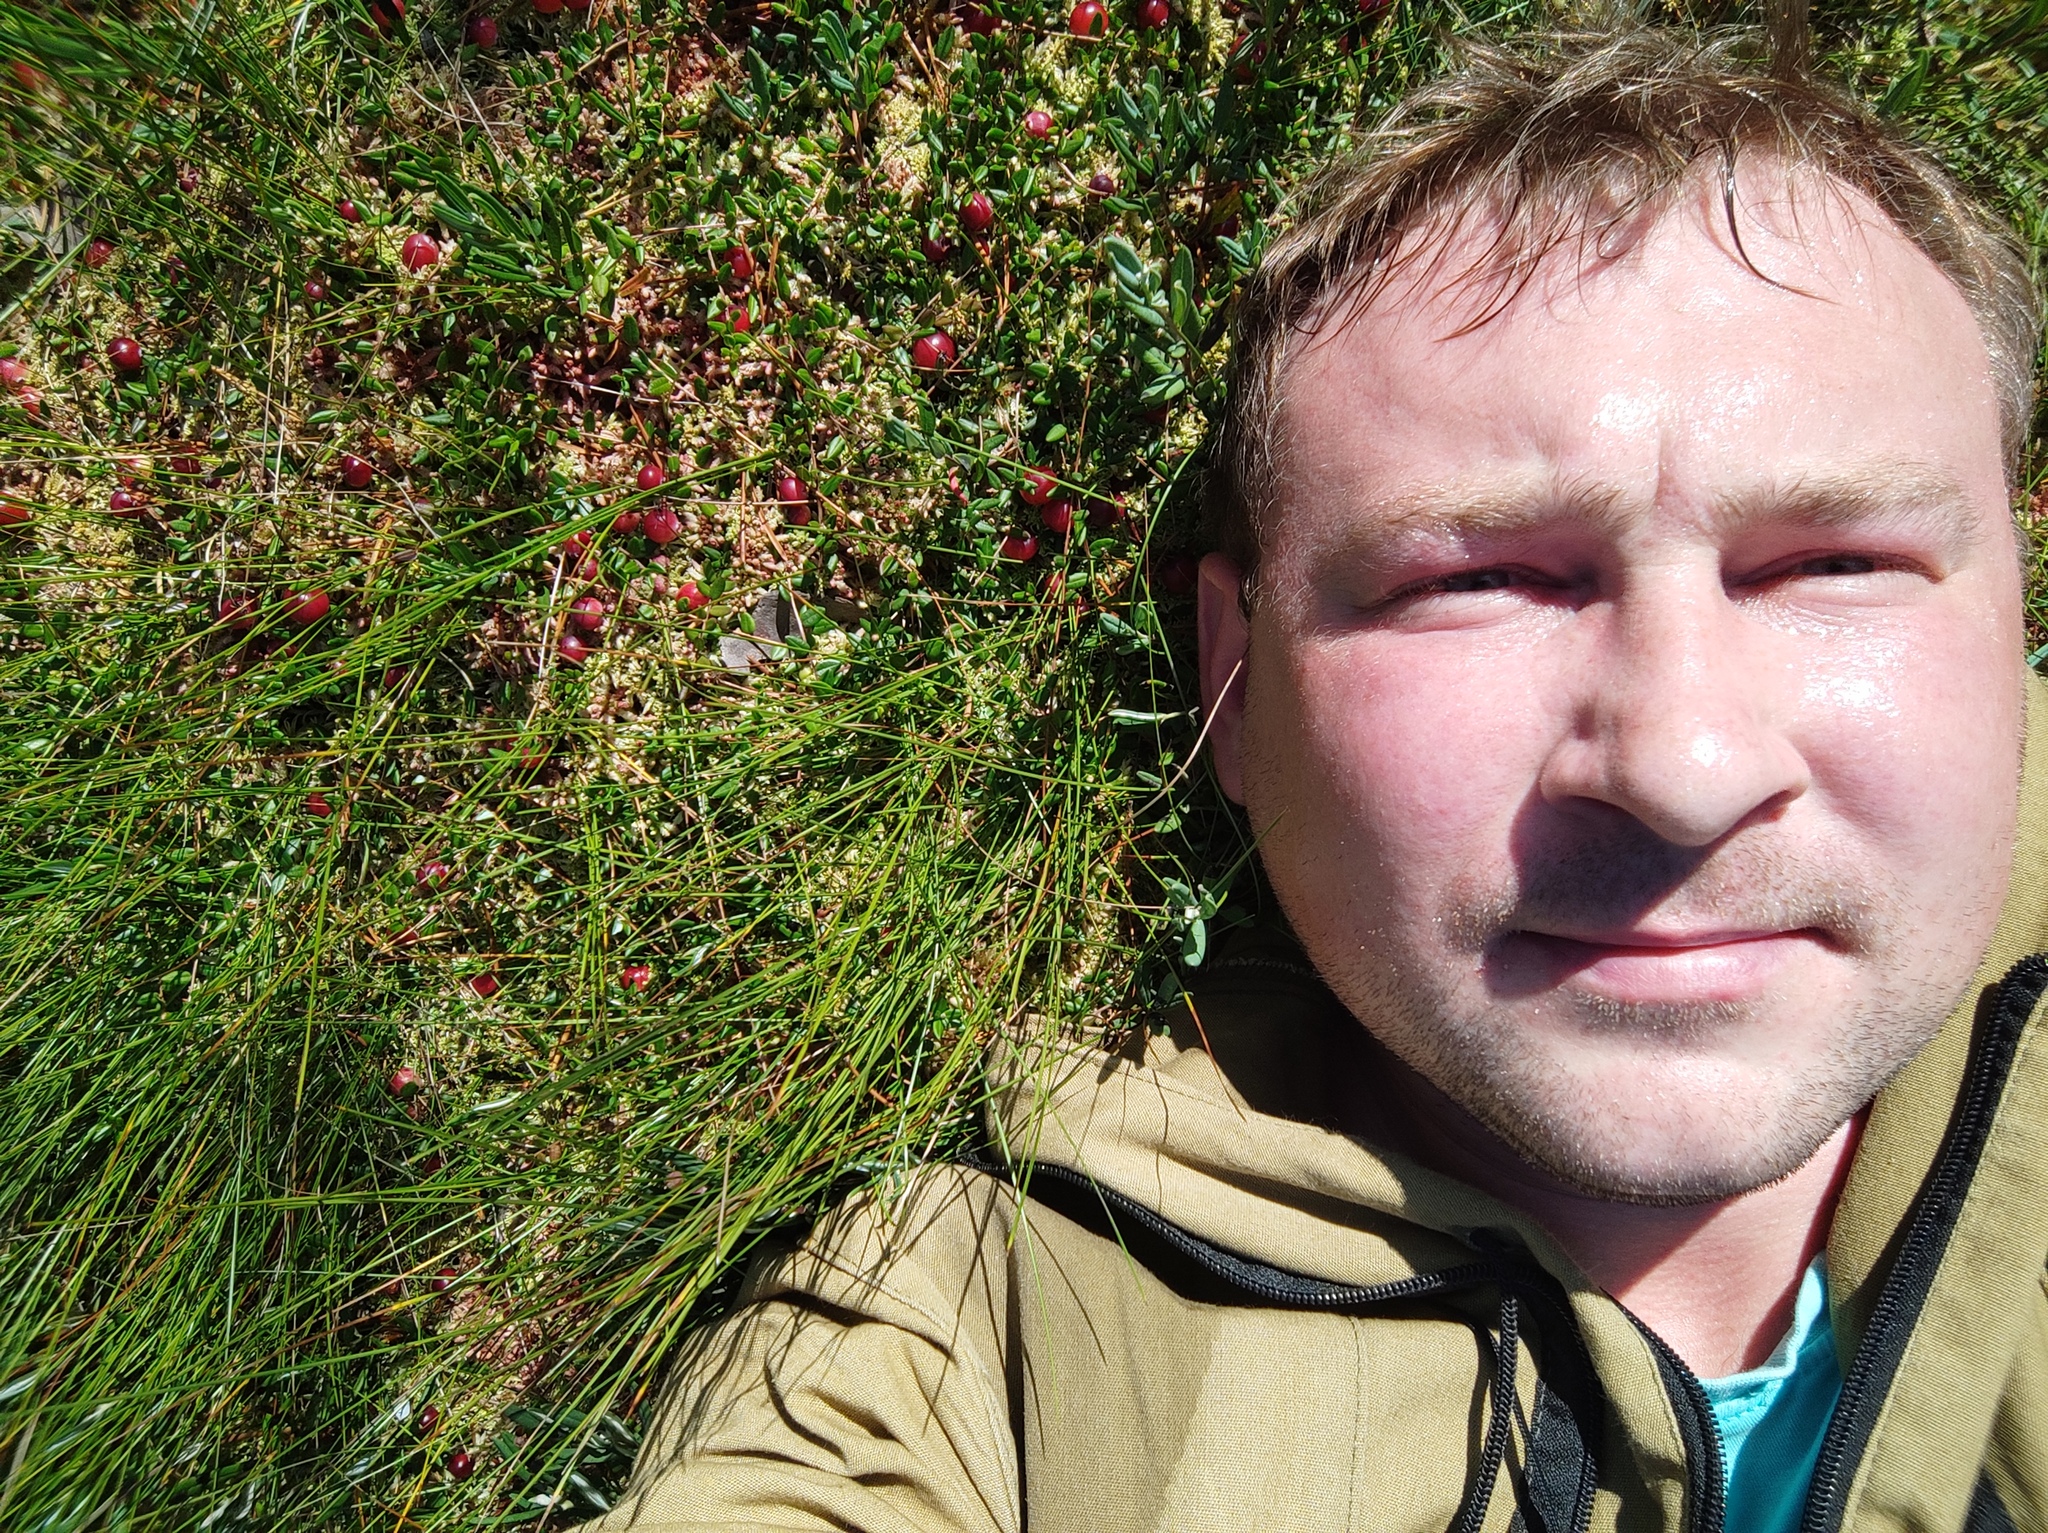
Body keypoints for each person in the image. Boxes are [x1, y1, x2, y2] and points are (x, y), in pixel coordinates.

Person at [583, 23, 2047, 1533]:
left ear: (2017, 617)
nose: (1683, 768)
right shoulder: (982, 1357)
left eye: (1835, 564)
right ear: (1232, 681)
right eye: (1478, 580)